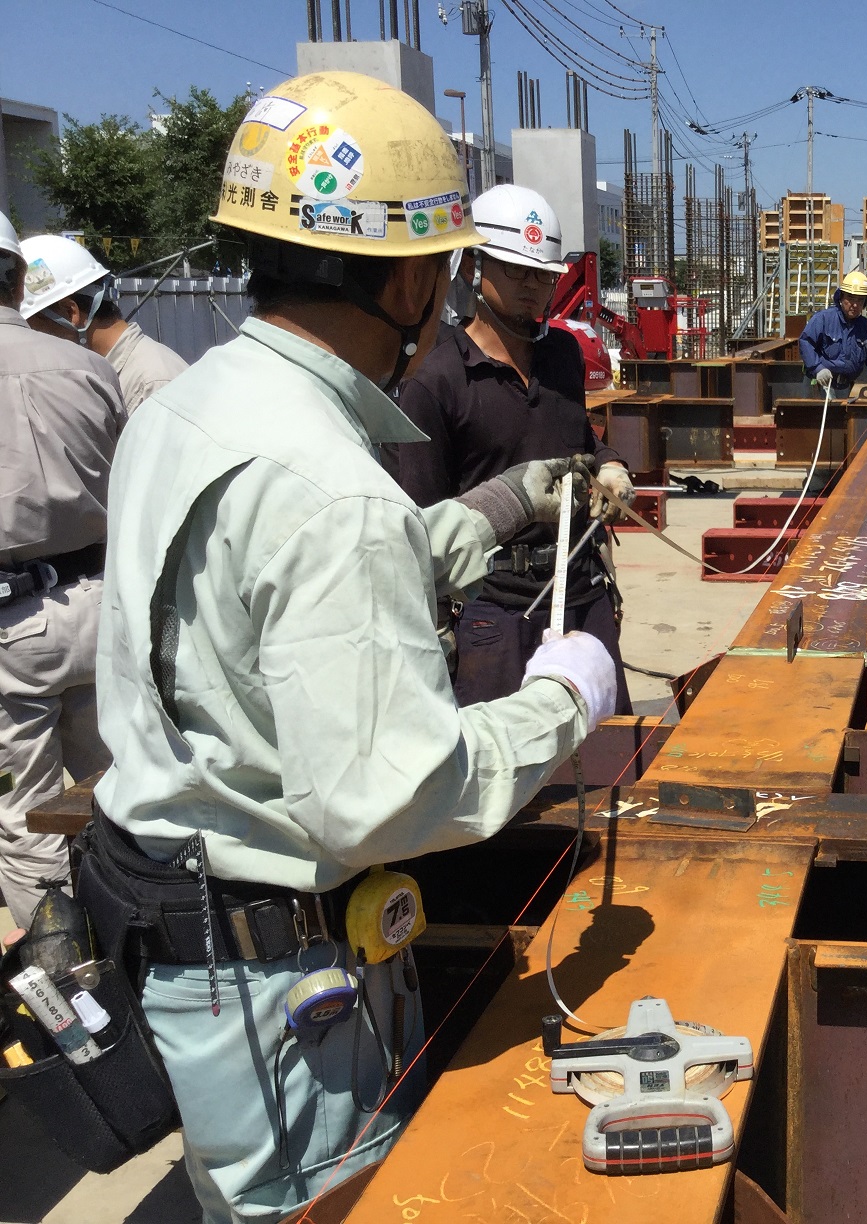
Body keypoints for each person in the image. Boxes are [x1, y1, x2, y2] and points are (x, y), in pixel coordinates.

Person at [80, 72, 617, 1223]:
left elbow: (249, 612)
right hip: (280, 986)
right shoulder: (331, 489)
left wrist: (494, 511)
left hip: (177, 934)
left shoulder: (190, 406)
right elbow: (388, 795)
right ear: (416, 275)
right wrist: (565, 700)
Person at [386, 183, 635, 713]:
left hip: (579, 588)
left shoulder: (564, 356)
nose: (533, 287)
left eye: (543, 275)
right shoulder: (436, 377)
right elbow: (422, 524)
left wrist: (608, 463)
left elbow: (575, 438)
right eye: (517, 271)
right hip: (491, 611)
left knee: (611, 759)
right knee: (501, 780)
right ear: (473, 267)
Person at [0, 214, 125, 931]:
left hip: (13, 627)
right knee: (109, 793)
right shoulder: (89, 367)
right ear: (19, 280)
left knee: (27, 819)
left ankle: (73, 995)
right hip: (100, 604)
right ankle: (128, 953)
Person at [19, 234, 187, 412]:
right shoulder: (101, 373)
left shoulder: (153, 383)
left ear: (70, 312)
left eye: (33, 329)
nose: (32, 342)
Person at [799, 269, 867, 396]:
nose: (855, 304)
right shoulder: (823, 319)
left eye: (860, 300)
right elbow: (806, 342)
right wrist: (817, 368)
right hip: (818, 384)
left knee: (841, 415)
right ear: (841, 298)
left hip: (844, 386)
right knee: (817, 416)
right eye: (851, 298)